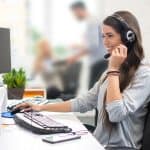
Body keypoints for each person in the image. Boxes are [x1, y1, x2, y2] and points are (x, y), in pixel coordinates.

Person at [16, 11, 150, 149]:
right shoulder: (111, 72)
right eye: (103, 36)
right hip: (99, 143)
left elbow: (116, 114)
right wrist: (41, 107)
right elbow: (84, 102)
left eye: (110, 36)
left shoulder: (144, 74)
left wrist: (113, 70)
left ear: (129, 37)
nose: (105, 42)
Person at [68, 1, 107, 89]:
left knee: (93, 92)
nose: (74, 16)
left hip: (99, 63)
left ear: (79, 10)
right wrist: (78, 46)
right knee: (96, 91)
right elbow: (93, 43)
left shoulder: (92, 22)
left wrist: (75, 57)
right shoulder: (94, 21)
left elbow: (92, 46)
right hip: (101, 61)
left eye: (74, 13)